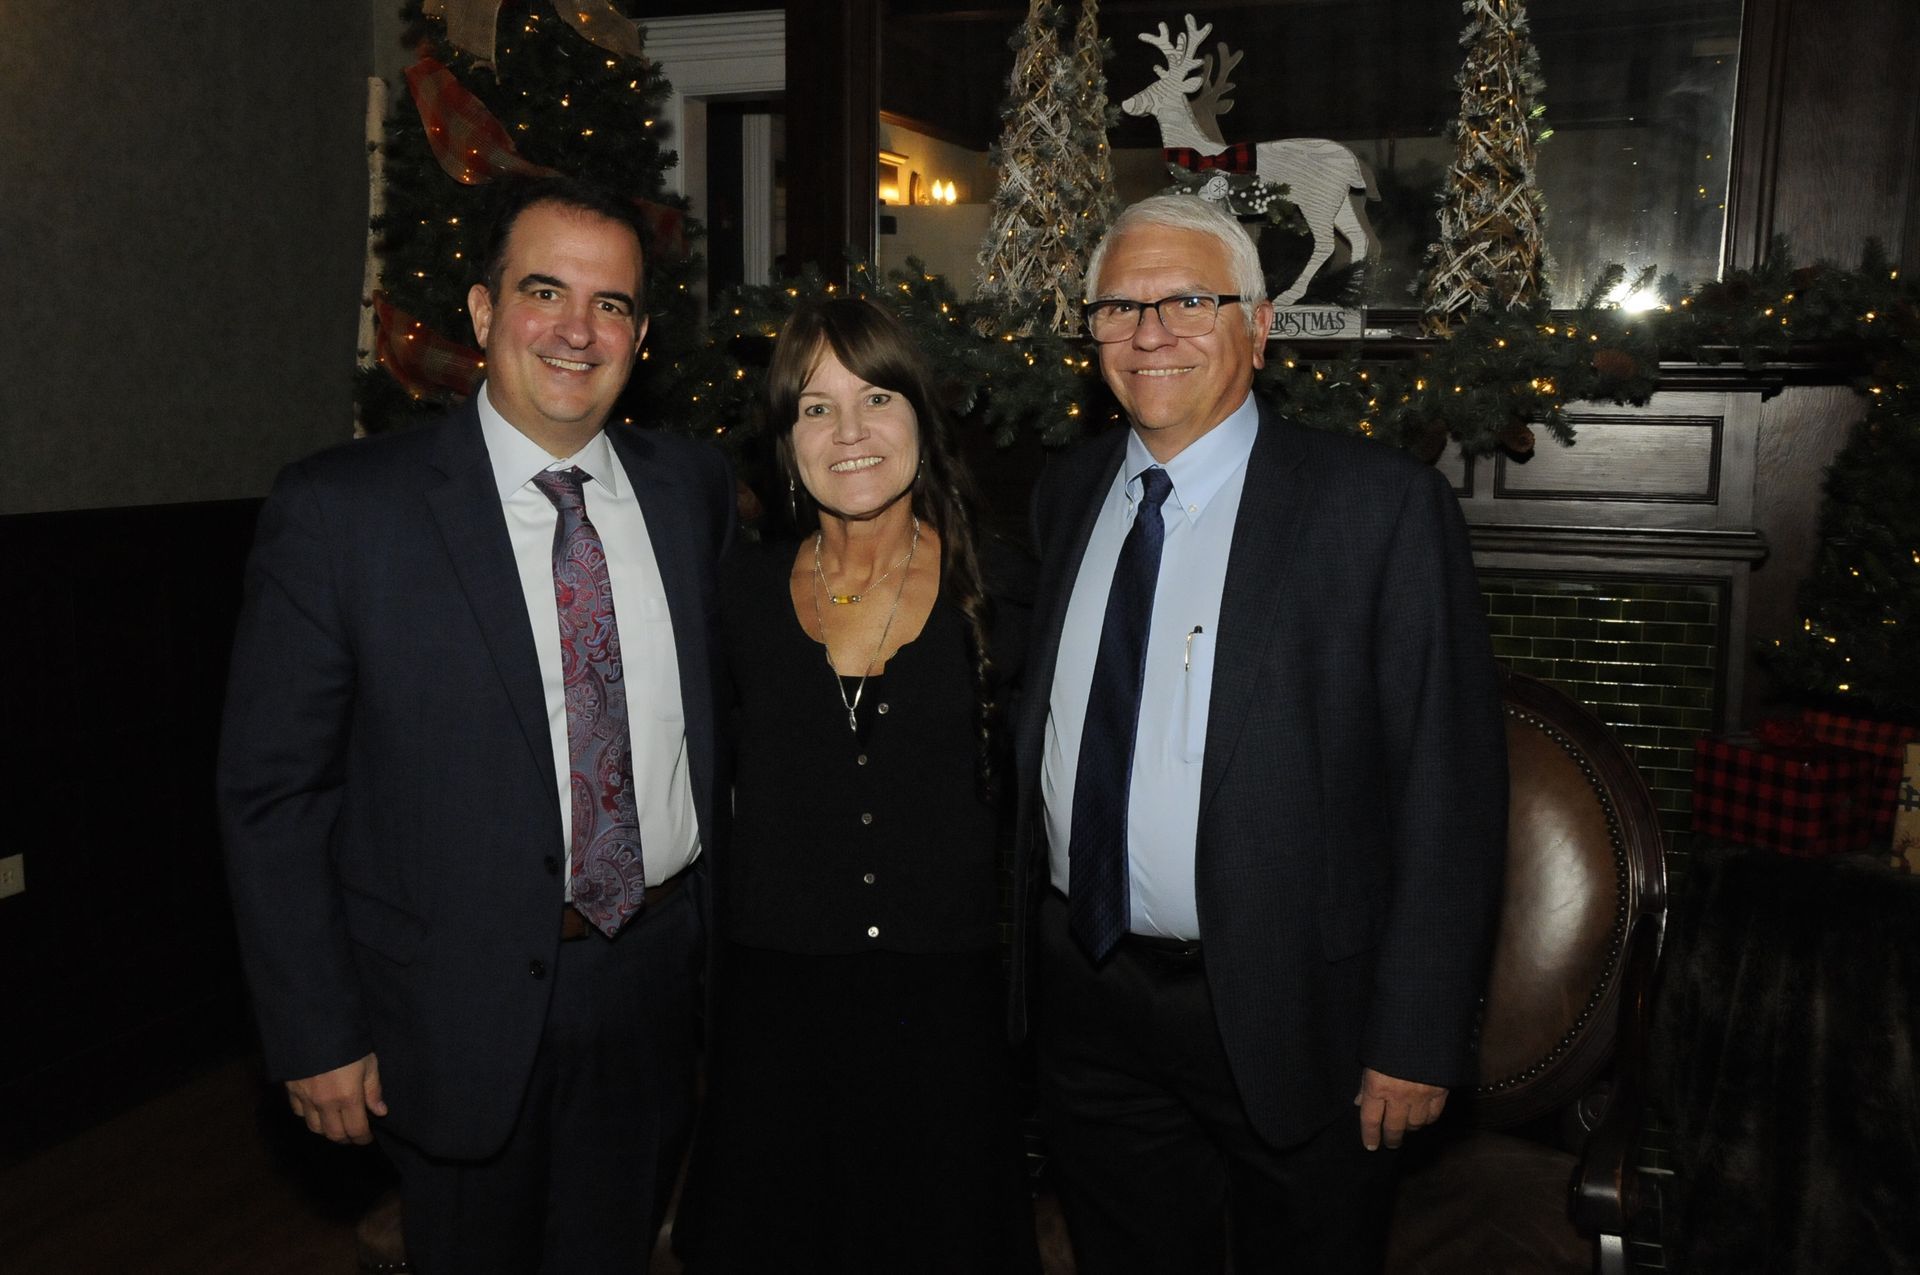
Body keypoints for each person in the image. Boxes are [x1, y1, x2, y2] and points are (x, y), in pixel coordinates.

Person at [216, 175, 733, 1274]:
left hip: (652, 983)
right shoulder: (344, 510)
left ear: (641, 334)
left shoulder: (693, 489)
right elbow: (275, 793)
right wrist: (316, 1028)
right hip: (444, 1004)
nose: (577, 331)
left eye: (613, 306)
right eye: (545, 291)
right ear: (486, 310)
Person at [1010, 194, 1508, 1274]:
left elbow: (1449, 791)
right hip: (1090, 1000)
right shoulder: (1064, 494)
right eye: (1118, 307)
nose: (1151, 334)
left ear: (1261, 324)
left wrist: (1415, 1037)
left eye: (1190, 300)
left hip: (1298, 1014)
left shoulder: (1376, 510)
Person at [674, 298, 1038, 1275]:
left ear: (922, 415)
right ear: (784, 439)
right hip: (775, 1018)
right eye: (815, 408)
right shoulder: (738, 594)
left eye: (876, 398)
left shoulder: (1006, 592)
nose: (850, 434)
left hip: (945, 1017)